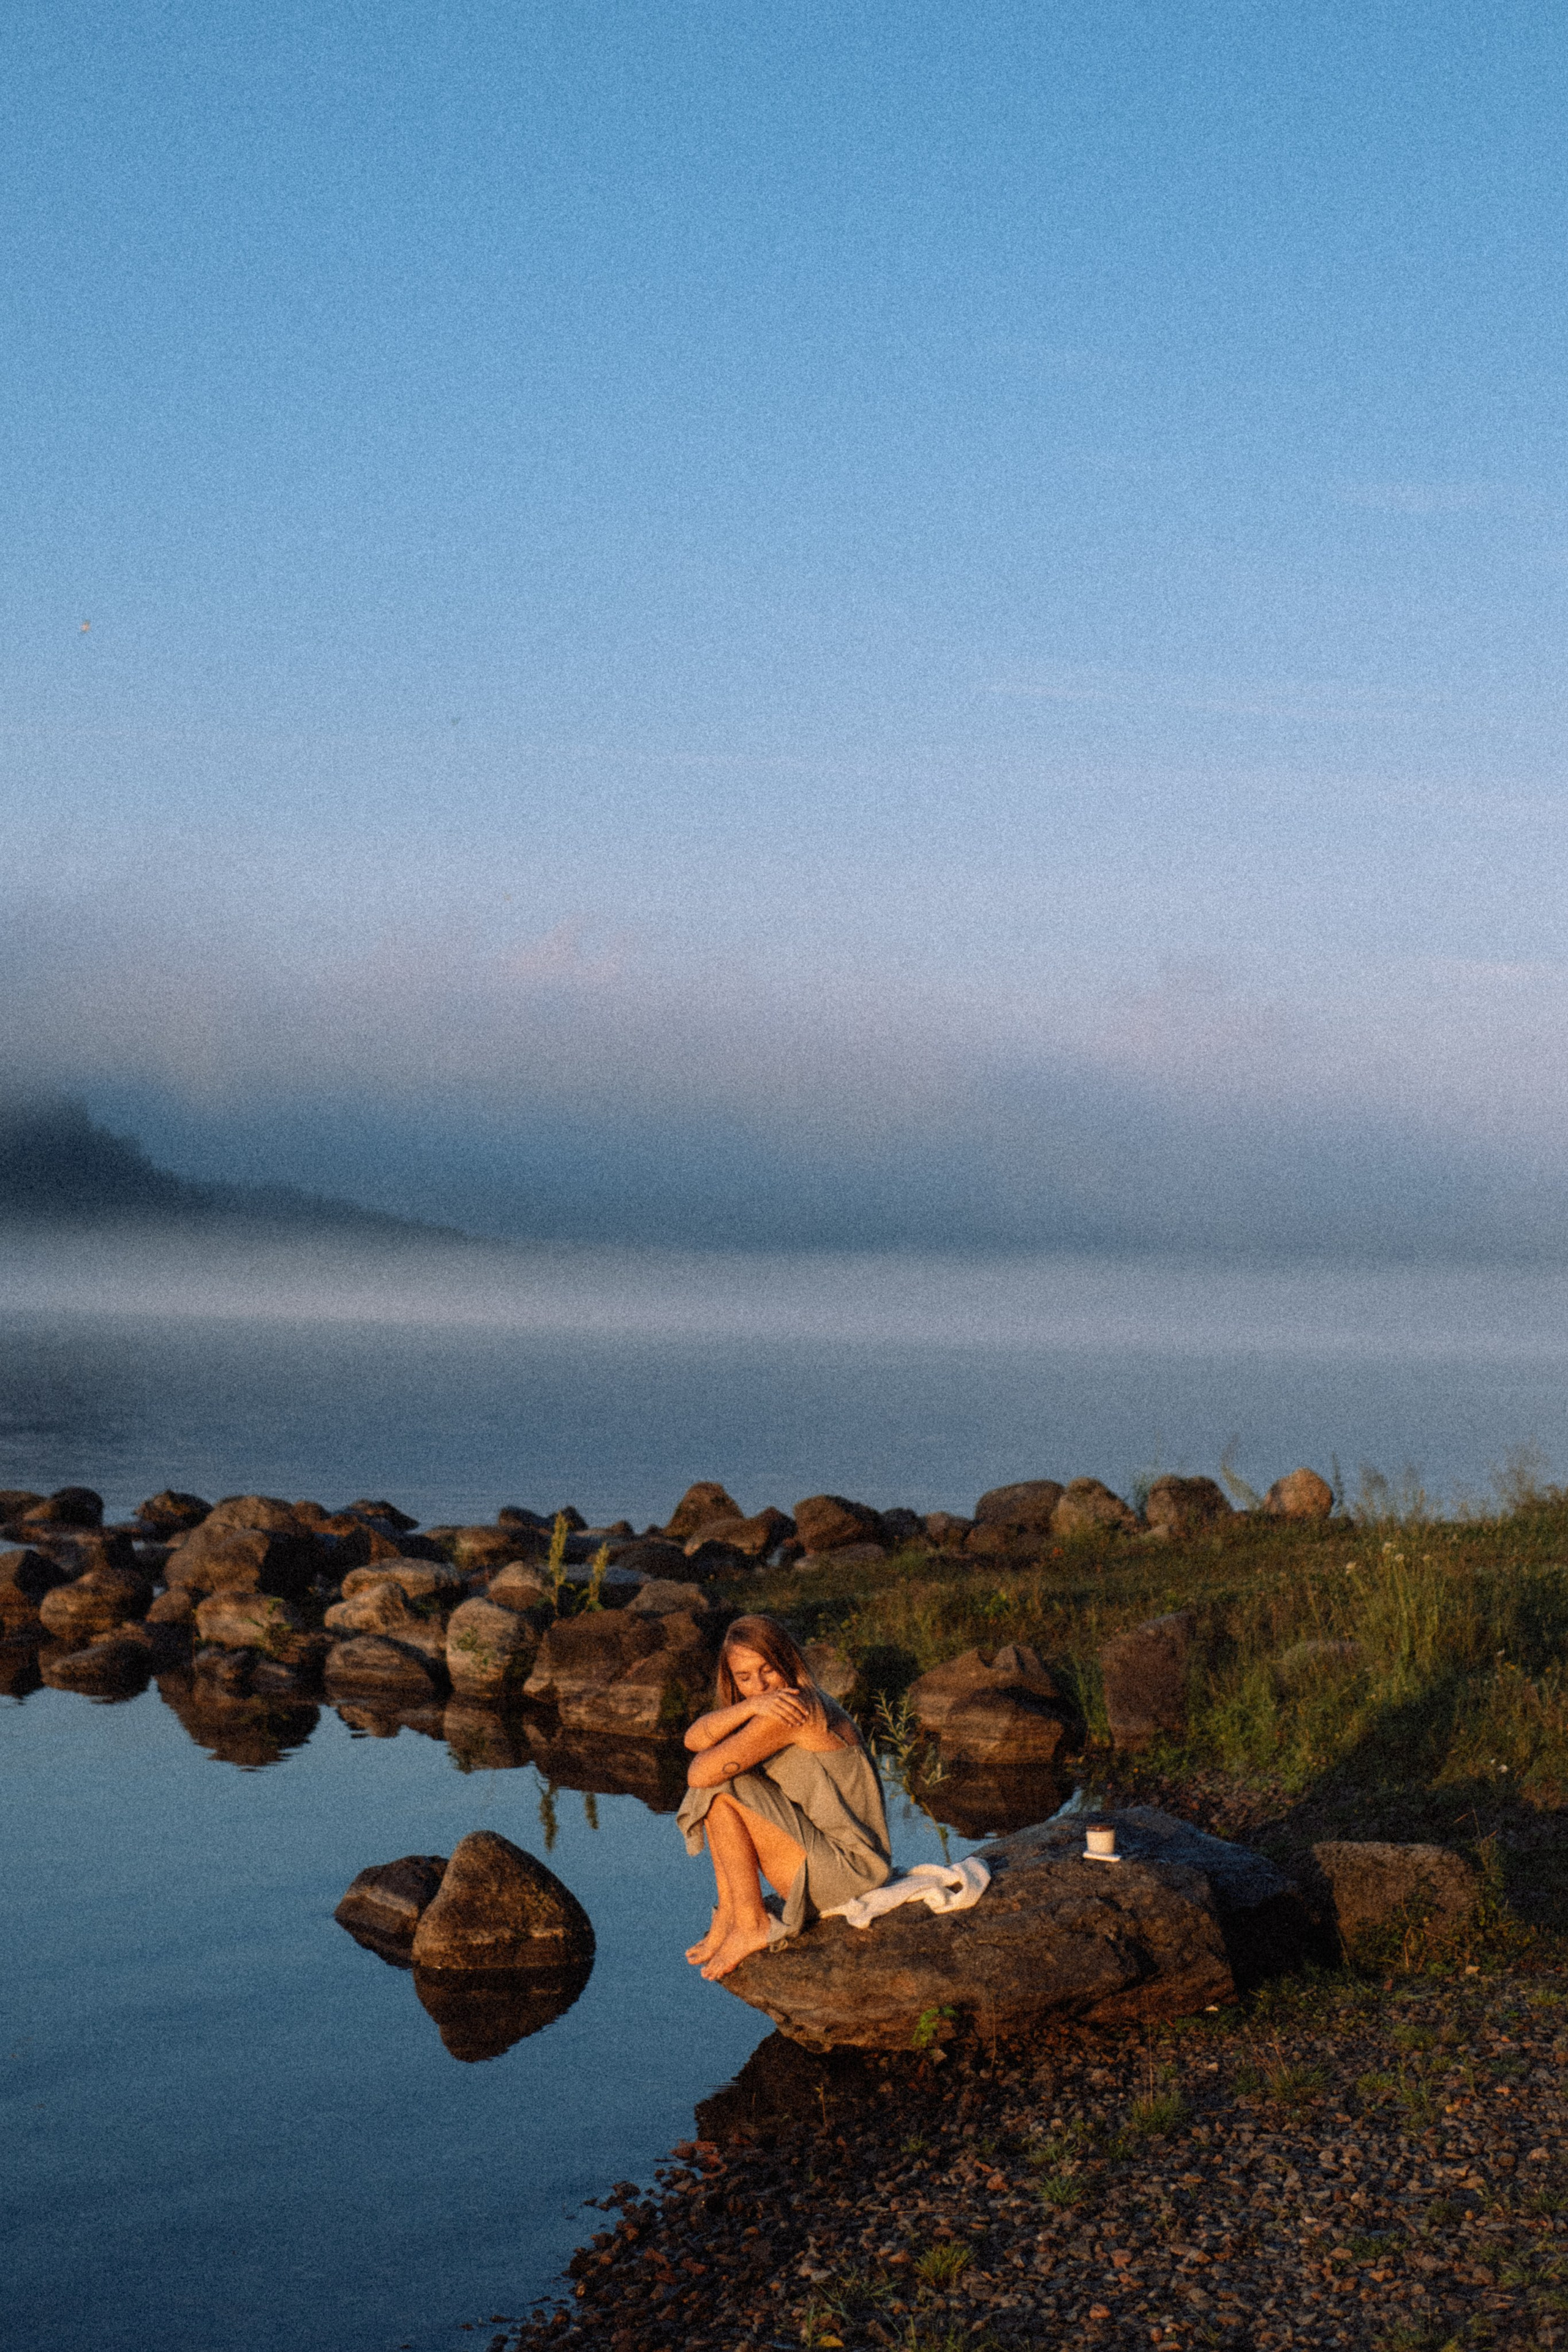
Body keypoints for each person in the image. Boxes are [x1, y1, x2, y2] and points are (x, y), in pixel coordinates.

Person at [677, 1614, 891, 1981]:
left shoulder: (797, 1708)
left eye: (768, 1671)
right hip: (832, 1860)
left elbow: (699, 1773)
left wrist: (752, 1706)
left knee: (719, 1786)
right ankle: (732, 1912)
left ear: (788, 1663)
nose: (759, 1686)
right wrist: (747, 1707)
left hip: (849, 1872)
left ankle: (751, 1922)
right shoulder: (767, 1706)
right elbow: (693, 1740)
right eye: (744, 1678)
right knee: (720, 1780)